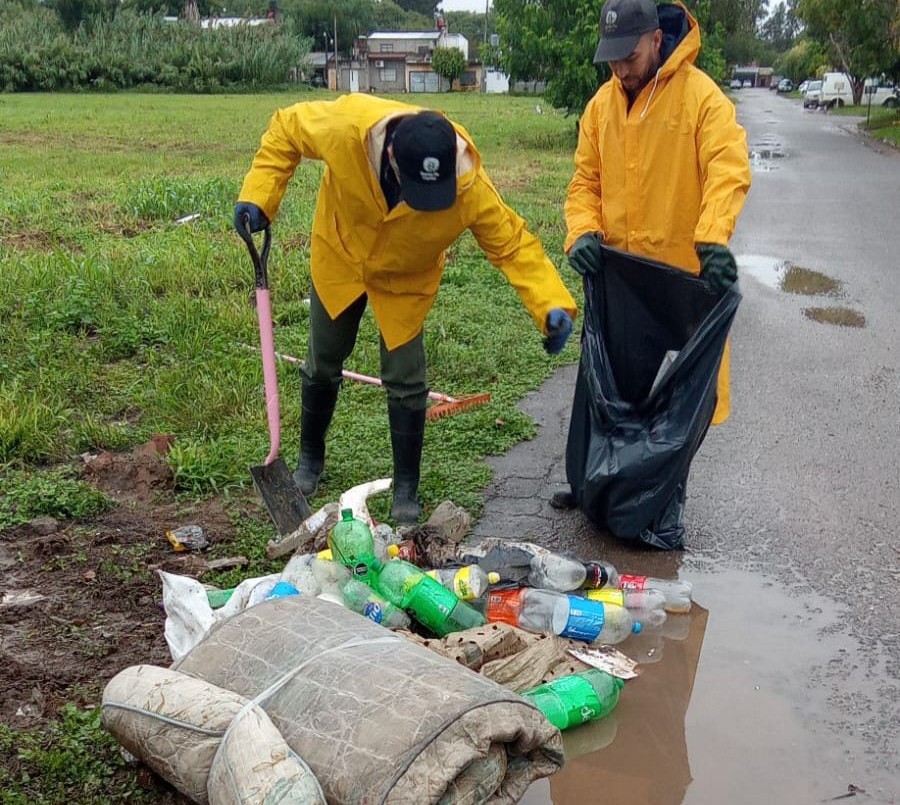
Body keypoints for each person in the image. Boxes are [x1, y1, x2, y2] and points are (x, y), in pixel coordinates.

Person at [234, 94, 577, 524]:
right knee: (324, 360)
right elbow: (286, 128)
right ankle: (309, 460)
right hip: (341, 253)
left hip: (405, 277)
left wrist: (550, 304)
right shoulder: (346, 128)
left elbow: (511, 243)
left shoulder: (469, 185)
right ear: (393, 154)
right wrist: (260, 196)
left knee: (406, 377)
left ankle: (407, 488)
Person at [565, 0, 751, 424]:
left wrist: (713, 236)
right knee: (611, 407)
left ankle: (665, 492)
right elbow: (584, 183)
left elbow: (728, 166)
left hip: (681, 285)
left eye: (629, 57)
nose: (621, 71)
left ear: (655, 40)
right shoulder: (600, 108)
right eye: (612, 59)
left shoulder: (700, 98)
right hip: (624, 288)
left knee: (678, 419)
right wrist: (582, 232)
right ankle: (597, 488)